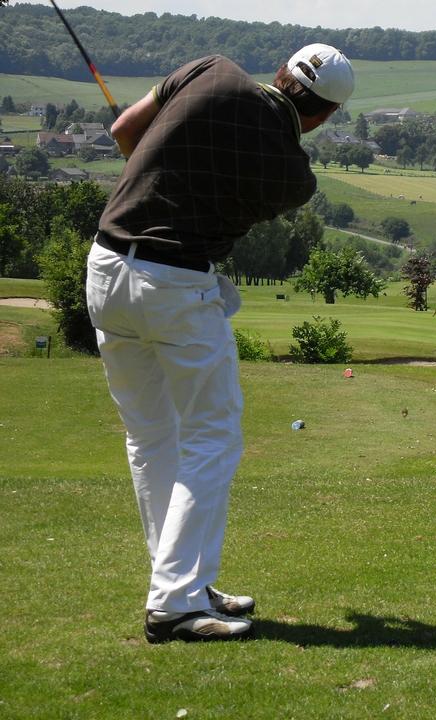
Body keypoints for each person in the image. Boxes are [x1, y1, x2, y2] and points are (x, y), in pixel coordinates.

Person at [86, 44, 354, 643]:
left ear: (282, 71)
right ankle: (175, 602)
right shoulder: (294, 177)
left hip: (105, 268)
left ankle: (182, 582)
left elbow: (126, 131)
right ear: (324, 116)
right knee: (212, 435)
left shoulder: (212, 69)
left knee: (152, 437)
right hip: (175, 285)